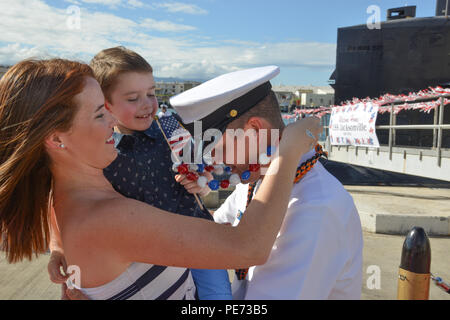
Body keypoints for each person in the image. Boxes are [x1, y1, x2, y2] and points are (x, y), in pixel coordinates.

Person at [0, 58, 321, 300]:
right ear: (57, 140)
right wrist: (288, 151)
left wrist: (60, 250)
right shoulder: (110, 219)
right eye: (100, 113)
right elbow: (249, 247)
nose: (112, 120)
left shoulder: (64, 198)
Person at [47, 46, 231, 300]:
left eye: (151, 93)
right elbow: (63, 201)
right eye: (133, 99)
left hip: (197, 234)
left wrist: (200, 184)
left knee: (219, 296)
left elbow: (204, 176)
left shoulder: (169, 127)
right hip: (150, 256)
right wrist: (58, 248)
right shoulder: (100, 149)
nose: (147, 105)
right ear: (105, 104)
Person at [170, 66, 364, 299]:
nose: (214, 161)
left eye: (215, 148)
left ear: (253, 130)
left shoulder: (316, 208)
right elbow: (217, 232)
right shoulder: (254, 183)